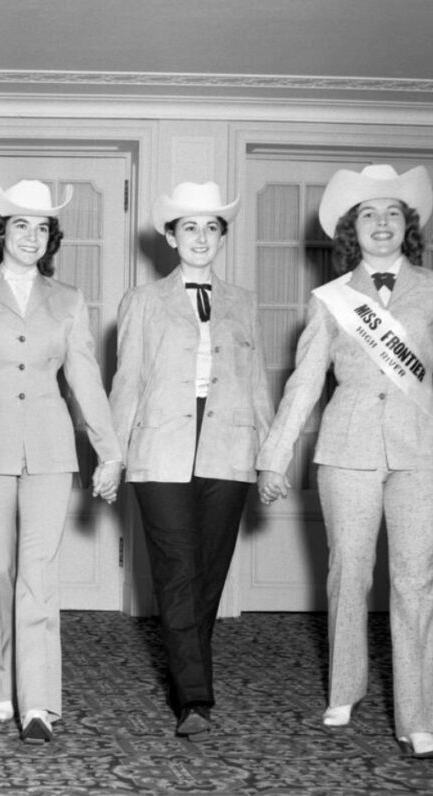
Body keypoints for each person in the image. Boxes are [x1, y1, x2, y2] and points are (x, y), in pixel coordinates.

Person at [256, 164, 433, 759]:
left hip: (420, 450)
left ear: (406, 226)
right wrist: (274, 459)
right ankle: (345, 687)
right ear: (350, 229)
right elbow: (304, 384)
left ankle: (420, 719)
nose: (380, 224)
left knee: (416, 582)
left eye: (392, 214)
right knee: (348, 573)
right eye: (368, 214)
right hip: (347, 449)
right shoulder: (330, 301)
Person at [0, 180, 123, 744]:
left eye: (42, 226)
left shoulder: (68, 301)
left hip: (49, 447)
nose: (32, 236)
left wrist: (110, 452)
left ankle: (37, 701)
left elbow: (86, 379)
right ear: (1, 232)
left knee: (39, 573)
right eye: (21, 224)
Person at [109, 181, 273, 737]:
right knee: (177, 571)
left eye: (210, 227)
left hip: (229, 443)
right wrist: (112, 454)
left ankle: (189, 677)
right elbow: (126, 383)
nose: (200, 237)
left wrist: (271, 456)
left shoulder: (244, 302)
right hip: (160, 449)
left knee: (208, 574)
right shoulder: (142, 301)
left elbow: (257, 383)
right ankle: (195, 700)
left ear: (221, 236)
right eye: (189, 227)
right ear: (171, 237)